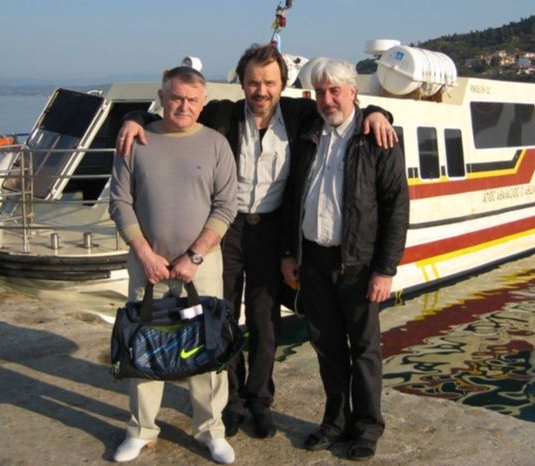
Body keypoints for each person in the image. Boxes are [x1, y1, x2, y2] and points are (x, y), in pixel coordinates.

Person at [116, 45, 397, 440]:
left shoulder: (301, 115)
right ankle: (231, 402)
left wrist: (379, 113)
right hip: (226, 230)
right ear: (242, 83)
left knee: (265, 321)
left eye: (269, 82)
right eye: (252, 82)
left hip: (272, 229)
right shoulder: (222, 114)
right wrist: (132, 119)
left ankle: (260, 400)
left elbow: (346, 108)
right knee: (223, 315)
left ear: (282, 84)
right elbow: (176, 110)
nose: (261, 90)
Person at [279, 59, 409, 461]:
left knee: (365, 348)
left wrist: (385, 270)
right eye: (320, 92)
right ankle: (335, 422)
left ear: (353, 92)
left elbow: (397, 207)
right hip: (313, 258)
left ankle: (367, 428)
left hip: (358, 262)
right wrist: (290, 252)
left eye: (335, 91)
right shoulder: (308, 132)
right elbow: (292, 196)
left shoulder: (377, 137)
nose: (327, 99)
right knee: (327, 345)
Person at [109, 66, 238, 464]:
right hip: (146, 265)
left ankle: (211, 431)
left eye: (192, 100)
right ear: (162, 98)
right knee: (143, 346)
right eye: (177, 98)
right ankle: (141, 430)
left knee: (207, 347)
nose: (184, 106)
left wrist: (194, 255)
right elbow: (120, 202)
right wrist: (145, 253)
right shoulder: (137, 140)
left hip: (202, 266)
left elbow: (226, 206)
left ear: (203, 103)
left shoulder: (216, 144)